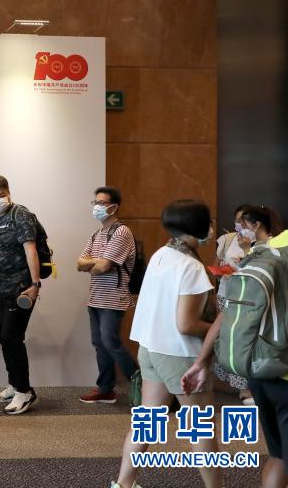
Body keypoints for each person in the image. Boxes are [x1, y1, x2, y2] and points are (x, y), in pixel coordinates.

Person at [112, 200, 219, 488]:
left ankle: (123, 484)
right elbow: (187, 324)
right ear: (198, 226)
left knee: (147, 423)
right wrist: (223, 327)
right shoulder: (191, 266)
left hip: (151, 348)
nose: (211, 227)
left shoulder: (162, 253)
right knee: (201, 428)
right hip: (180, 354)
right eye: (208, 221)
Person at [182, 205, 285, 488]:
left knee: (278, 455)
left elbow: (227, 314)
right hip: (282, 370)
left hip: (260, 368)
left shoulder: (260, 256)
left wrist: (202, 361)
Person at [0, 176, 41, 415]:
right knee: (3, 337)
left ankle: (25, 391)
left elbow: (30, 250)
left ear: (9, 192)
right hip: (0, 288)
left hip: (20, 288)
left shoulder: (20, 214)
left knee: (12, 337)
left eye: (2, 195)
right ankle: (14, 385)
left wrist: (35, 284)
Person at [76, 187, 140, 404]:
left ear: (114, 207)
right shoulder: (96, 234)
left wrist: (94, 263)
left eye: (102, 203)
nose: (97, 206)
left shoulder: (122, 232)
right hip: (95, 297)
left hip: (113, 298)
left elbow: (103, 267)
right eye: (95, 202)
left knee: (110, 342)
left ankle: (142, 384)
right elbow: (79, 263)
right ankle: (105, 389)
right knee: (100, 344)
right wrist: (96, 263)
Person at [213, 204, 253, 404]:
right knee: (227, 339)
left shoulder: (262, 241)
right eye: (237, 220)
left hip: (248, 297)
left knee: (243, 340)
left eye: (244, 220)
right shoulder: (227, 239)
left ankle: (246, 387)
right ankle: (237, 384)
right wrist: (223, 270)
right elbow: (217, 265)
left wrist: (245, 258)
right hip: (225, 294)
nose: (240, 224)